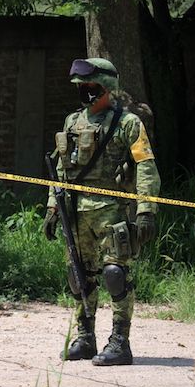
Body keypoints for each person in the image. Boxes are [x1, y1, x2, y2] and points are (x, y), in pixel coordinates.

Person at [42, 58, 161, 366]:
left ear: (107, 87)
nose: (84, 91)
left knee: (115, 275)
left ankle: (120, 342)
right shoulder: (72, 121)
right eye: (81, 87)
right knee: (79, 277)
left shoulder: (128, 123)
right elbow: (60, 169)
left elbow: (145, 166)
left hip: (112, 211)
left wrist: (146, 209)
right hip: (76, 210)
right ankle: (85, 337)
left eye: (90, 86)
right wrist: (53, 208)